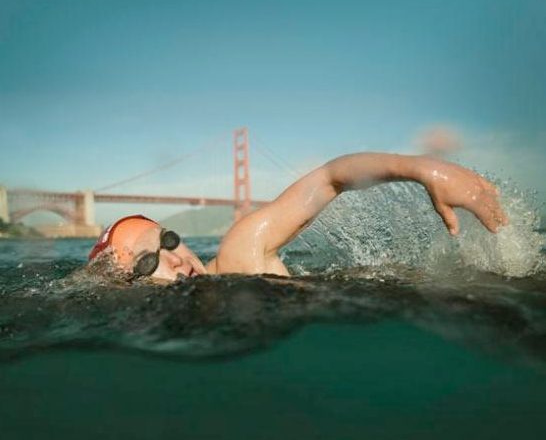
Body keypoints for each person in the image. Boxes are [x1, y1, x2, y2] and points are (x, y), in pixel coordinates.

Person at [88, 152, 508, 282]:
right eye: (148, 262)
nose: (176, 259)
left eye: (169, 241)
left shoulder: (240, 254)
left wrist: (424, 170)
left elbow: (328, 179)